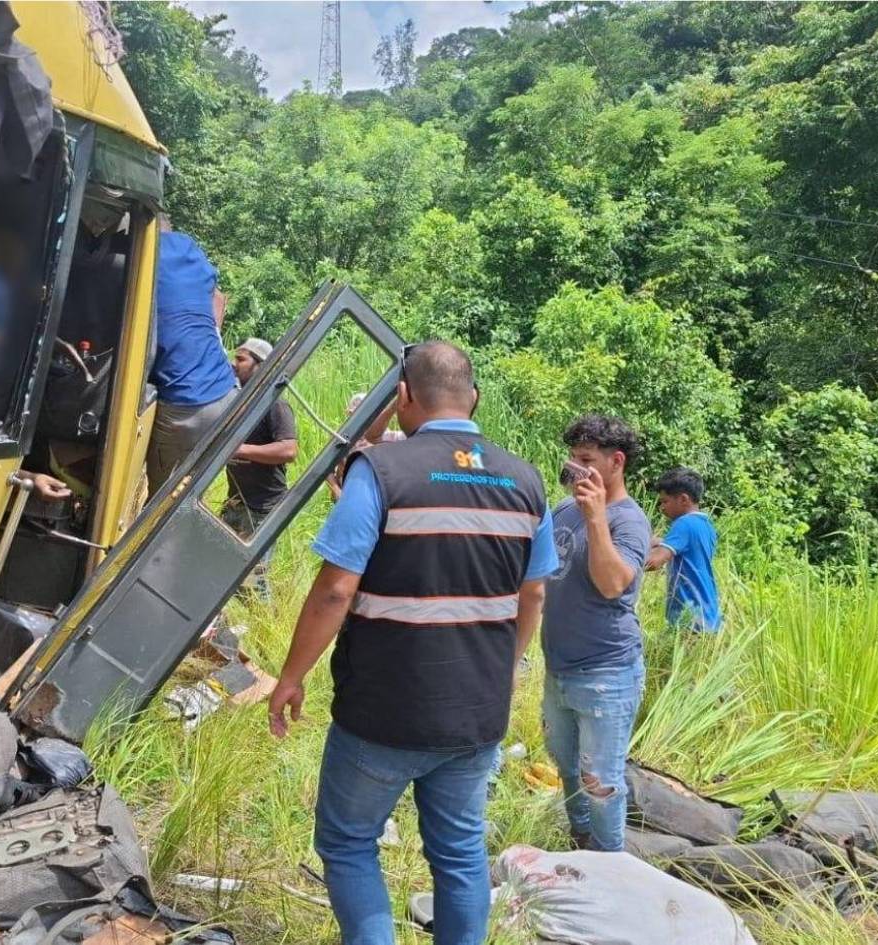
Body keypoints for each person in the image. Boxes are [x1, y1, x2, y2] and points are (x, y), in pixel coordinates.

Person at [268, 341, 558, 945]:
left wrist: (291, 676)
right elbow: (533, 597)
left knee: (349, 842)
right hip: (477, 712)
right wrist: (508, 666)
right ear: (472, 399)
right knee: (459, 852)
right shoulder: (526, 482)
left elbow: (334, 590)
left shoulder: (382, 472)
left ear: (402, 398)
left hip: (384, 710)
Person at [541, 414, 651, 853]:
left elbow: (612, 584)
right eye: (572, 458)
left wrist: (596, 519)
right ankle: (581, 841)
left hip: (607, 674)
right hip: (559, 669)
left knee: (601, 782)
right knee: (567, 767)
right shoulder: (564, 509)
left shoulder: (627, 520)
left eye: (585, 459)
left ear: (615, 462)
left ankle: (610, 865)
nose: (574, 468)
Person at [145, 221, 239, 494]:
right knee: (190, 493)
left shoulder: (141, 251)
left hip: (187, 405)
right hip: (227, 392)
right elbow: (219, 297)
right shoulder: (187, 247)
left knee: (159, 508)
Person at [221, 337, 298, 597]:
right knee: (218, 572)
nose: (234, 364)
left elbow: (288, 449)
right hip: (235, 502)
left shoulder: (275, 404)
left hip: (262, 509)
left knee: (252, 586)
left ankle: (260, 631)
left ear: (260, 366)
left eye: (241, 359)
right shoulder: (242, 402)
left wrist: (240, 450)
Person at [646, 467, 722, 632]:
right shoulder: (705, 525)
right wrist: (658, 542)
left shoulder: (683, 524)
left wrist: (621, 562)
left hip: (691, 618)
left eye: (665, 501)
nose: (661, 507)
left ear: (683, 499)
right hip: (707, 614)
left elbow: (653, 563)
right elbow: (688, 551)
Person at [325, 392, 404, 501]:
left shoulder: (386, 436)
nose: (362, 422)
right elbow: (326, 468)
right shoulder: (340, 438)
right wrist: (336, 490)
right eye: (355, 416)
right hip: (348, 494)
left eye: (366, 417)